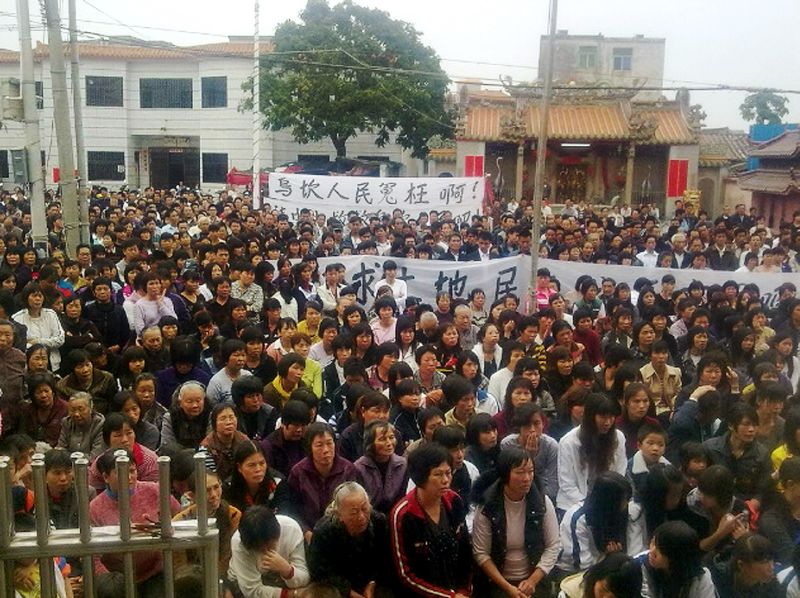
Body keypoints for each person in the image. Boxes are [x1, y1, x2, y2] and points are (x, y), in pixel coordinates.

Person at [472, 446, 561, 597]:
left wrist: (532, 581)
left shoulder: (542, 502)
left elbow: (553, 545)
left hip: (534, 578)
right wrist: (507, 588)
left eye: (530, 471)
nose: (527, 478)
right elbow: (481, 553)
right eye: (520, 472)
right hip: (498, 581)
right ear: (505, 475)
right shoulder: (487, 506)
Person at [90, 448, 181, 597]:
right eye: (121, 473)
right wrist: (110, 583)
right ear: (106, 477)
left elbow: (180, 517)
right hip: (118, 579)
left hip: (156, 572)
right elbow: (93, 557)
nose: (129, 477)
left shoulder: (155, 490)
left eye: (132, 471)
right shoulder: (94, 508)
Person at [389, 442, 473, 597]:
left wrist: (464, 591)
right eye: (438, 474)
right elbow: (405, 574)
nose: (445, 480)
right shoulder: (403, 515)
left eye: (448, 473)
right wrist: (449, 597)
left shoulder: (455, 501)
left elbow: (465, 552)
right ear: (420, 476)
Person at [307, 481, 394, 597]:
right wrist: (350, 593)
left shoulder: (379, 522)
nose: (362, 517)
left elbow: (386, 560)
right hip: (338, 587)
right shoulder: (324, 531)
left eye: (364, 508)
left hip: (372, 582)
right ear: (339, 515)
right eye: (354, 512)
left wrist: (373, 583)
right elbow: (320, 572)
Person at [557, 471, 646, 574]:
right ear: (609, 501)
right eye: (623, 500)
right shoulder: (577, 518)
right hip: (574, 573)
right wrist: (610, 560)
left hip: (611, 566)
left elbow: (635, 552)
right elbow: (582, 565)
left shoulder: (626, 512)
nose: (626, 504)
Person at [287, 423, 358, 540]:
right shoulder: (298, 472)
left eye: (330, 443)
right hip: (308, 533)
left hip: (342, 533)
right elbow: (292, 509)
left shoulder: (348, 469)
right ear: (309, 447)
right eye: (319, 445)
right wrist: (306, 532)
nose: (326, 450)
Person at [557, 394, 628, 512]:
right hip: (573, 504)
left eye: (611, 417)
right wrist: (588, 505)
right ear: (590, 416)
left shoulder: (618, 437)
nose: (608, 422)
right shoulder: (568, 442)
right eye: (603, 417)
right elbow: (566, 483)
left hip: (607, 502)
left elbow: (619, 473)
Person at [227, 504, 310, 597]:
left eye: (270, 546)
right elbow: (252, 591)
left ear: (278, 534)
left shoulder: (291, 529)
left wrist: (286, 570)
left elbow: (304, 579)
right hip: (244, 582)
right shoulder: (238, 542)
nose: (266, 552)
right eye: (260, 549)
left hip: (282, 581)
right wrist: (290, 595)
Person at [703, 403, 771, 501]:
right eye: (746, 424)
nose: (751, 429)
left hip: (745, 506)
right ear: (731, 426)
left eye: (755, 425)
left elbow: (763, 488)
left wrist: (756, 502)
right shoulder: (710, 448)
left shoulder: (762, 454)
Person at [639, 520, 716, 598]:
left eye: (661, 551)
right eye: (653, 543)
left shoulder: (700, 576)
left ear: (676, 558)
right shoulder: (638, 567)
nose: (651, 552)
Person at [223, 440, 292, 515]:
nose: (258, 469)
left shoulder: (278, 483)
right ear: (239, 467)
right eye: (251, 465)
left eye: (262, 463)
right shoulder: (229, 488)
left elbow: (283, 516)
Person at [354, 420, 408, 514]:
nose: (389, 443)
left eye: (391, 437)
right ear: (370, 443)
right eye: (382, 439)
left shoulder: (403, 464)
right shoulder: (359, 468)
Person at [709, 533, 782, 598]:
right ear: (741, 565)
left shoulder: (772, 583)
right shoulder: (719, 582)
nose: (771, 567)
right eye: (764, 562)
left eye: (771, 560)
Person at [12, 281, 65, 370]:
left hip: (52, 364)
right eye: (34, 296)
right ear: (26, 298)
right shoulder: (17, 318)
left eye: (40, 296)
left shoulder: (51, 314)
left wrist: (37, 341)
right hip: (27, 366)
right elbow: (18, 346)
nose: (37, 299)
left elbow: (60, 339)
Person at [200, 403, 250, 482]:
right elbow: (210, 477)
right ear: (214, 423)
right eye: (223, 419)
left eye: (231, 417)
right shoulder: (206, 446)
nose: (229, 422)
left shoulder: (245, 441)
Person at [159, 381, 212, 450]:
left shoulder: (210, 415)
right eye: (189, 401)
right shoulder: (170, 417)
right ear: (180, 403)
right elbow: (167, 446)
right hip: (178, 457)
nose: (195, 405)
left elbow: (210, 443)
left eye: (198, 401)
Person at [56, 391, 105, 460]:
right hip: (68, 467)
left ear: (90, 409)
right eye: (72, 410)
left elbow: (95, 457)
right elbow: (60, 450)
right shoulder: (66, 423)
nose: (76, 414)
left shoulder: (100, 425)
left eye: (81, 409)